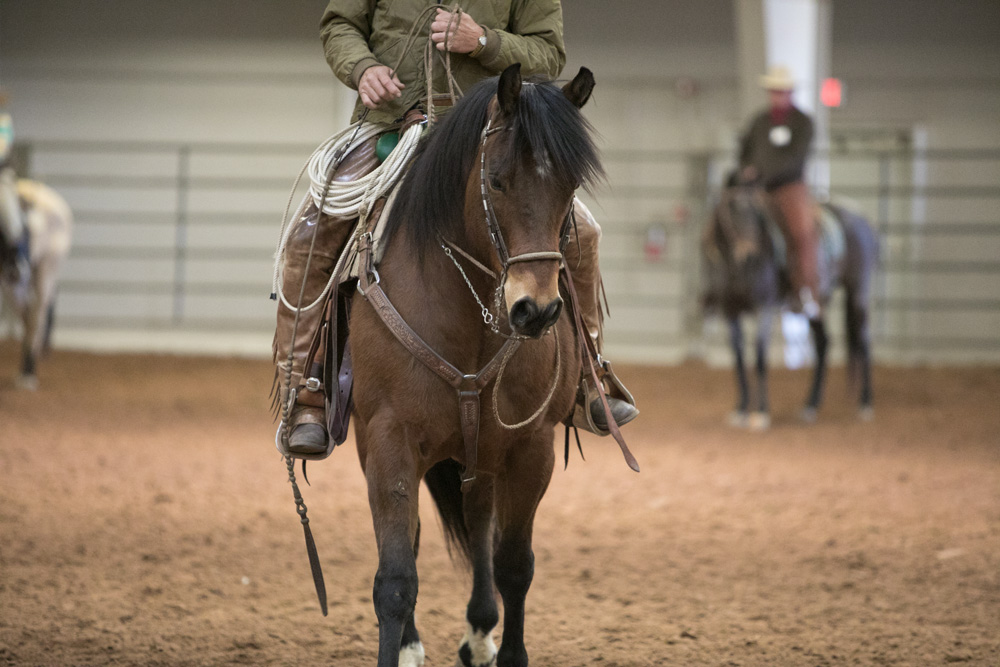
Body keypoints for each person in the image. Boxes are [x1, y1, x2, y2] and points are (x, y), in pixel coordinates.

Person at [274, 1, 638, 455]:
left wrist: (484, 41)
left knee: (583, 233)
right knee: (310, 236)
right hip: (392, 126)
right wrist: (363, 67)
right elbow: (341, 24)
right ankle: (306, 393)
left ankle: (589, 377)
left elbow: (548, 52)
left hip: (492, 134)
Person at [737, 64, 819, 317]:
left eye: (782, 91)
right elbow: (744, 151)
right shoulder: (759, 122)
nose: (777, 95)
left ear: (790, 92)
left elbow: (796, 158)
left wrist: (763, 173)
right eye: (774, 91)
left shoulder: (802, 122)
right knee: (734, 224)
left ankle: (804, 289)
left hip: (790, 188)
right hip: (758, 189)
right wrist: (746, 170)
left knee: (801, 233)